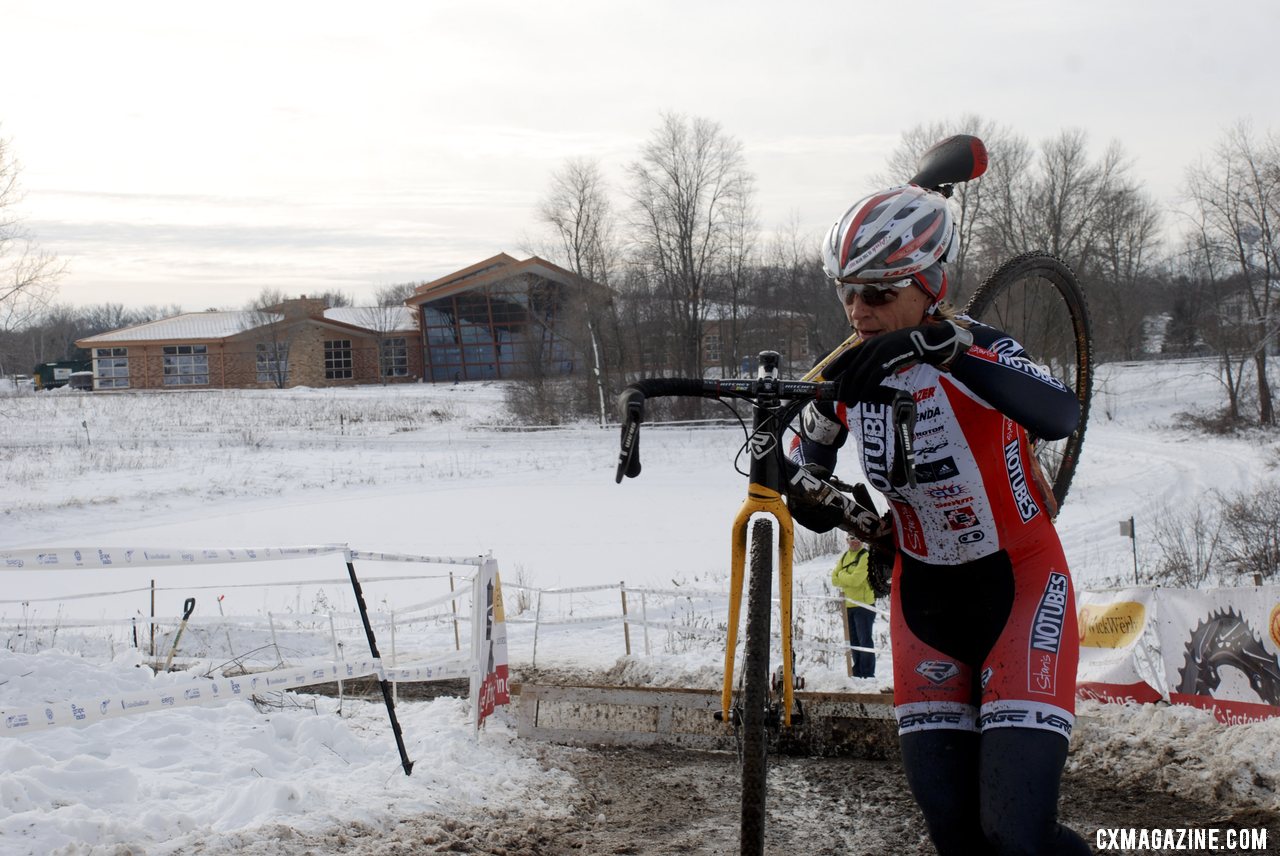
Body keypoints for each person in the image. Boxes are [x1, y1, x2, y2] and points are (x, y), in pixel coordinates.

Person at [791, 184, 1090, 855]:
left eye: (878, 293)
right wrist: (822, 498)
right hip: (924, 604)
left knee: (1015, 836)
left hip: (1020, 589)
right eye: (847, 291)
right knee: (956, 838)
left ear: (931, 285)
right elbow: (798, 462)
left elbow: (1060, 413)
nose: (858, 310)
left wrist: (942, 349)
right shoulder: (851, 370)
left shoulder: (977, 348)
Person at [831, 532, 876, 678]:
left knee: (865, 641)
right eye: (852, 538)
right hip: (848, 606)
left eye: (858, 538)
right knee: (854, 642)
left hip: (864, 605)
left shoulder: (866, 556)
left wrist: (842, 574)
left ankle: (867, 674)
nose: (855, 541)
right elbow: (833, 579)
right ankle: (857, 673)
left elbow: (856, 580)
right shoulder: (844, 556)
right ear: (847, 540)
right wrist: (846, 577)